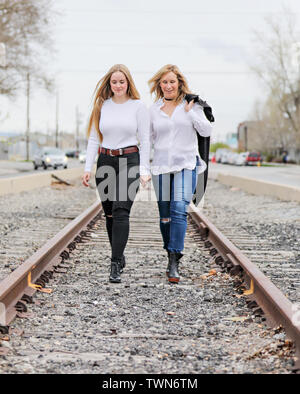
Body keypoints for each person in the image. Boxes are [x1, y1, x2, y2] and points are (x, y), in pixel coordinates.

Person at [82, 64, 151, 283]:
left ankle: (114, 264)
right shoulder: (102, 106)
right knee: (110, 214)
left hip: (129, 160)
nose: (118, 85)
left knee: (122, 211)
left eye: (122, 81)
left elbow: (146, 139)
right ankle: (119, 256)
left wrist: (144, 169)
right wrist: (87, 167)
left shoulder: (138, 107)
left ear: (128, 83)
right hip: (105, 161)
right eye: (114, 82)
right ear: (109, 84)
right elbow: (94, 138)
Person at [148, 64, 213, 283]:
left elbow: (206, 130)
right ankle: (170, 252)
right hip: (161, 167)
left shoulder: (191, 105)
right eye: (164, 82)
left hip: (186, 164)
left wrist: (190, 113)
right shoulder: (153, 110)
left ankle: (175, 258)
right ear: (160, 85)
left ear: (179, 83)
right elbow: (147, 140)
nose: (168, 86)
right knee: (165, 215)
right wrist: (143, 168)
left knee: (179, 209)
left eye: (172, 82)